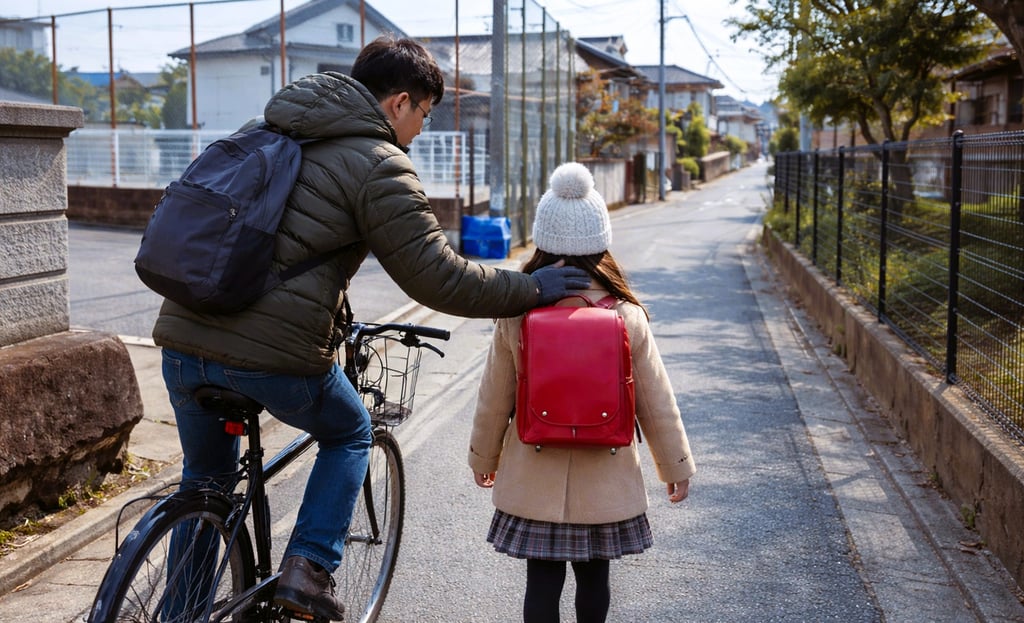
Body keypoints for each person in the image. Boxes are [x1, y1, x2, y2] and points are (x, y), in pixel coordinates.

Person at [152, 36, 590, 621]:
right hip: (271, 357)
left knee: (205, 484)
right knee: (352, 433)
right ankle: (306, 568)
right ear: (399, 102)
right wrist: (533, 288)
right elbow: (437, 277)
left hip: (181, 339)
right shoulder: (379, 162)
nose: (422, 130)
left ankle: (177, 612)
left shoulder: (267, 129)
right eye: (425, 115)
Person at [468, 162, 696, 623]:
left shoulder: (518, 310)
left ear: (542, 241)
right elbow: (655, 399)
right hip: (605, 473)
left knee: (541, 583)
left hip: (535, 468)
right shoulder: (626, 314)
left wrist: (483, 458)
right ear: (601, 241)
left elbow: (496, 394)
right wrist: (674, 466)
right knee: (595, 583)